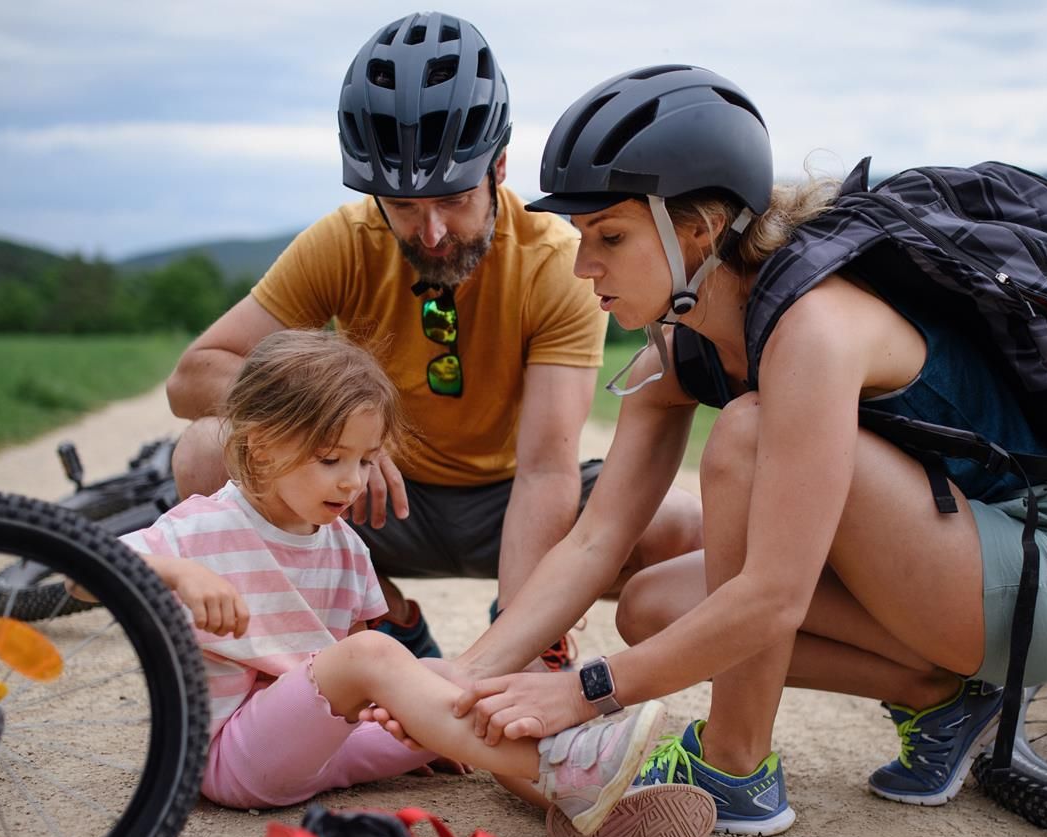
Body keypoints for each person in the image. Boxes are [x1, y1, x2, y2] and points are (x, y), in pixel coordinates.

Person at [369, 66, 1047, 836]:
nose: (581, 265)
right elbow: (598, 537)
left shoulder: (815, 328)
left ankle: (736, 767)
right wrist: (469, 676)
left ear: (697, 228)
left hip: (1043, 577)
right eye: (582, 236)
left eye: (611, 237)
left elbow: (773, 596)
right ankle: (947, 697)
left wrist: (584, 692)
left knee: (746, 436)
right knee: (652, 607)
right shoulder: (682, 345)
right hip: (944, 569)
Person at [163, 11, 701, 672]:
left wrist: (519, 637)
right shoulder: (343, 239)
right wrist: (325, 425)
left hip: (508, 500)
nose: (433, 232)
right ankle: (386, 623)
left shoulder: (555, 261)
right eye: (403, 207)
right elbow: (192, 377)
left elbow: (544, 468)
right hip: (372, 492)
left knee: (683, 527)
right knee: (205, 451)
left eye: (452, 199)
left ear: (499, 167)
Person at [106, 328, 684, 837]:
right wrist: (180, 575)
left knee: (449, 679)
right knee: (380, 656)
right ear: (260, 442)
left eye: (365, 461)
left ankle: (577, 807)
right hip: (231, 756)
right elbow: (83, 573)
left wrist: (417, 716)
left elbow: (353, 683)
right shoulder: (200, 530)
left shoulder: (342, 547)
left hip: (326, 746)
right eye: (332, 459)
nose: (352, 482)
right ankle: (564, 763)